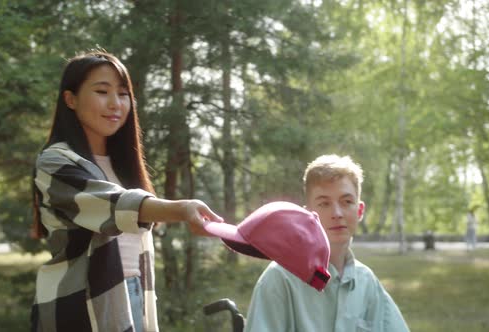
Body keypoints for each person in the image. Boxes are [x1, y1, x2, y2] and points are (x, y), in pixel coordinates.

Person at [30, 51, 223, 332]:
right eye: (102, 91)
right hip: (79, 304)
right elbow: (113, 204)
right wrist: (182, 209)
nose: (115, 104)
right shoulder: (55, 161)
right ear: (70, 99)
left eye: (123, 94)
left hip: (132, 292)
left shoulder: (125, 167)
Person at [244, 154, 409, 331]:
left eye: (346, 202)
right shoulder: (279, 279)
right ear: (308, 216)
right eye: (324, 204)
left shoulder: (366, 281)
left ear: (359, 210)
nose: (337, 213)